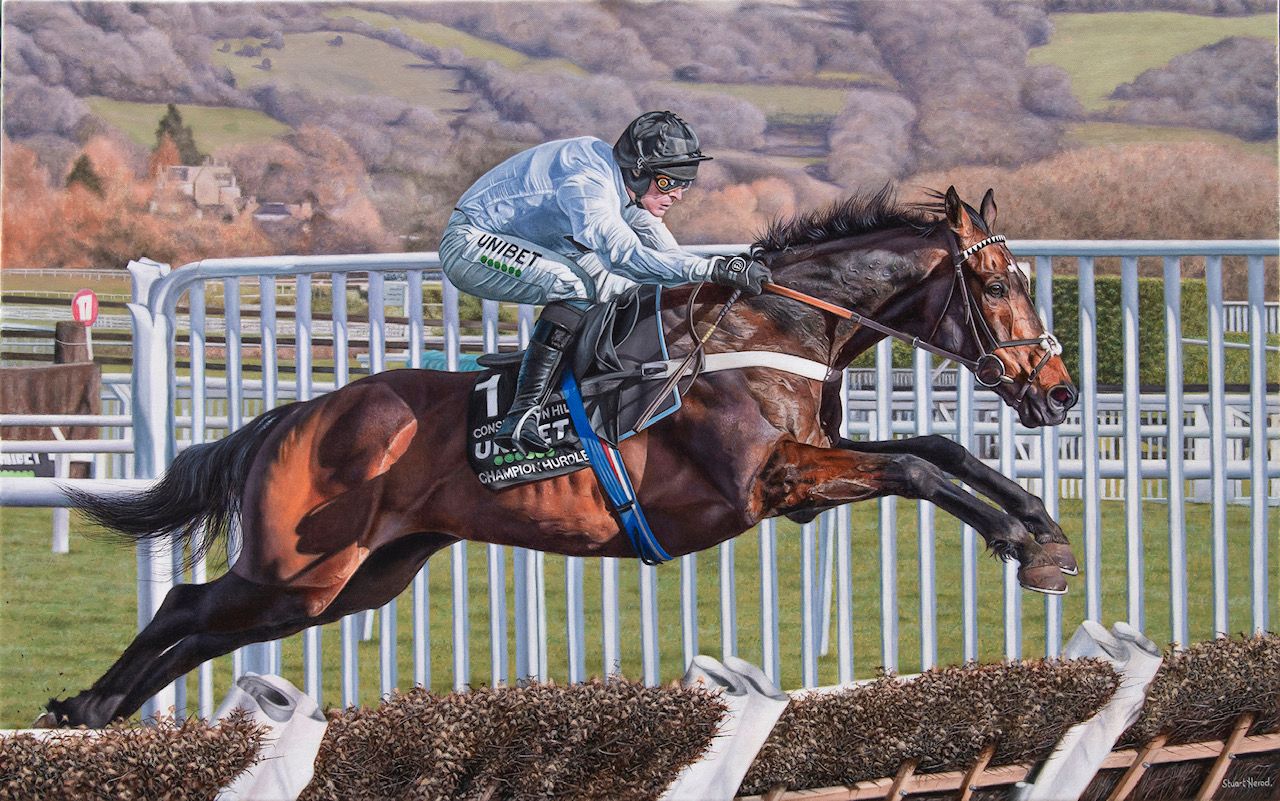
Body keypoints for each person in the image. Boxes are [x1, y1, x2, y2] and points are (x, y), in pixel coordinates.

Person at [439, 110, 771, 454]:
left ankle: (580, 397)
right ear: (639, 172)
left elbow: (667, 260)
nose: (677, 195)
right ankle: (523, 413)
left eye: (684, 184)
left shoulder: (625, 185)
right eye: (668, 183)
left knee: (620, 290)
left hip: (536, 242)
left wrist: (722, 276)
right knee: (576, 285)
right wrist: (714, 269)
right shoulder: (588, 185)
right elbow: (624, 257)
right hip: (471, 242)